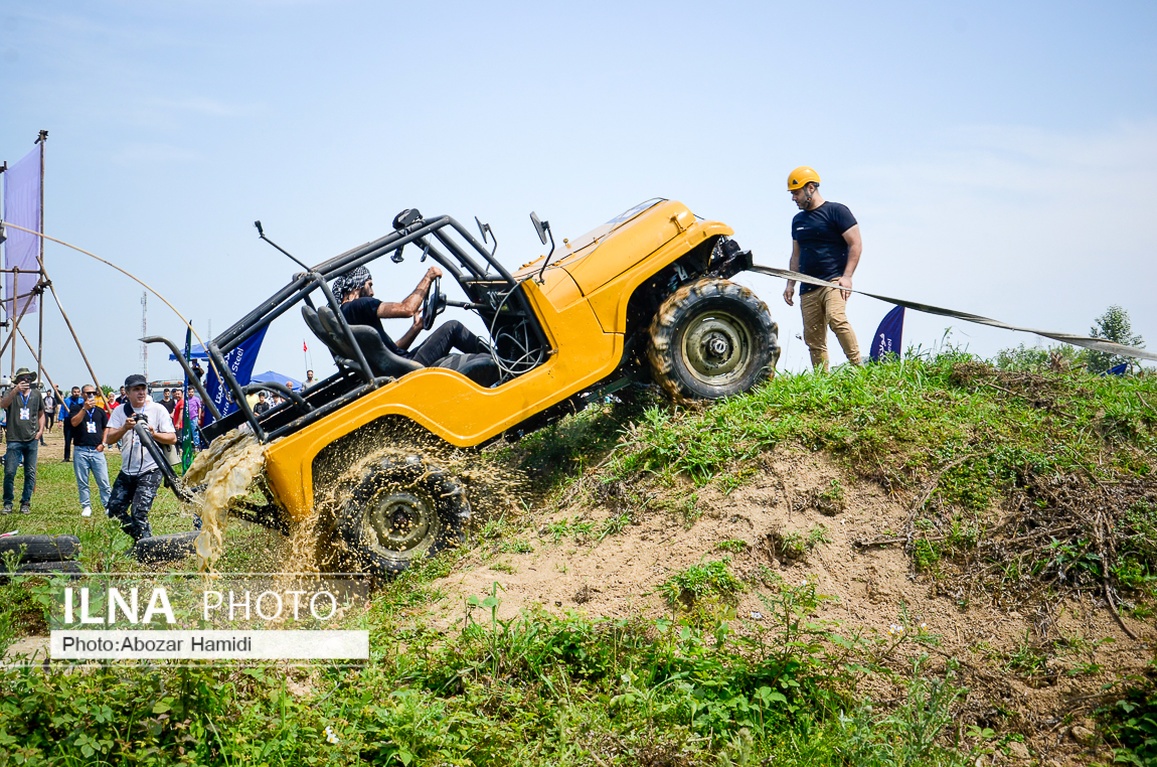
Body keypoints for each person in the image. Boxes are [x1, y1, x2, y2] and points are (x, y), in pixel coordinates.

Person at [782, 166, 863, 372]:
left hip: (832, 281)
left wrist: (847, 277)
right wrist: (790, 283)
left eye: (796, 192)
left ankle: (859, 368)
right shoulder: (797, 221)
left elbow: (856, 243)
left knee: (837, 319)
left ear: (810, 188)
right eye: (792, 194)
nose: (794, 198)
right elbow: (796, 255)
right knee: (813, 337)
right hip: (807, 287)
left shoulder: (837, 211)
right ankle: (822, 380)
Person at [336, 265, 487, 365]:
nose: (372, 292)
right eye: (369, 284)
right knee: (453, 327)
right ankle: (503, 363)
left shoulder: (345, 314)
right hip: (405, 369)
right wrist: (428, 277)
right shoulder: (359, 306)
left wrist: (416, 328)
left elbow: (387, 352)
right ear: (356, 285)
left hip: (398, 366)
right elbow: (407, 309)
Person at [104, 374, 176, 542]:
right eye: (136, 389)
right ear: (127, 392)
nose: (141, 392)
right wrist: (124, 428)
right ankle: (141, 540)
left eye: (143, 388)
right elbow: (109, 438)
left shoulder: (158, 410)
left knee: (139, 513)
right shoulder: (120, 411)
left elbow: (172, 438)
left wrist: (154, 434)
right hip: (127, 470)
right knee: (114, 511)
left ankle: (147, 548)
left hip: (150, 469)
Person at [2, 367, 45, 514]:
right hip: (14, 439)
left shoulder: (36, 394)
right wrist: (15, 391)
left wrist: (40, 431)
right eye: (22, 378)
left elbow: (41, 414)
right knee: (9, 472)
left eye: (28, 378)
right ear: (17, 381)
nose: (26, 381)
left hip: (31, 439)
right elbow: (3, 404)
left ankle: (25, 502)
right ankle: (8, 503)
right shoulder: (10, 393)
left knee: (30, 472)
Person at [70, 384, 111, 518]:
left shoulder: (100, 411)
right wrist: (84, 409)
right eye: (87, 393)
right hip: (81, 450)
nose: (90, 395)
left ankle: (107, 506)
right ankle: (86, 506)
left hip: (97, 450)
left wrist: (103, 443)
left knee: (104, 481)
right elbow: (74, 423)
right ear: (83, 395)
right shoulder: (76, 408)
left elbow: (106, 427)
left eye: (93, 393)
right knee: (83, 481)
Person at [62, 385, 85, 462]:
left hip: (78, 422)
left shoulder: (82, 401)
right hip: (68, 421)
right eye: (74, 392)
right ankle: (66, 457)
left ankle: (78, 457)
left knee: (78, 440)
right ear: (71, 392)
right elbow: (62, 410)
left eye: (78, 392)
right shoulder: (66, 401)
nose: (76, 393)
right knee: (67, 440)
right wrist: (59, 420)